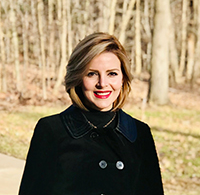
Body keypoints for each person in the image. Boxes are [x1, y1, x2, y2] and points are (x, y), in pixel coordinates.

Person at [19, 32, 164, 195]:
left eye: (112, 73)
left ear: (123, 78)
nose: (103, 84)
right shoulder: (52, 130)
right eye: (92, 74)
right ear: (78, 78)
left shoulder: (139, 133)